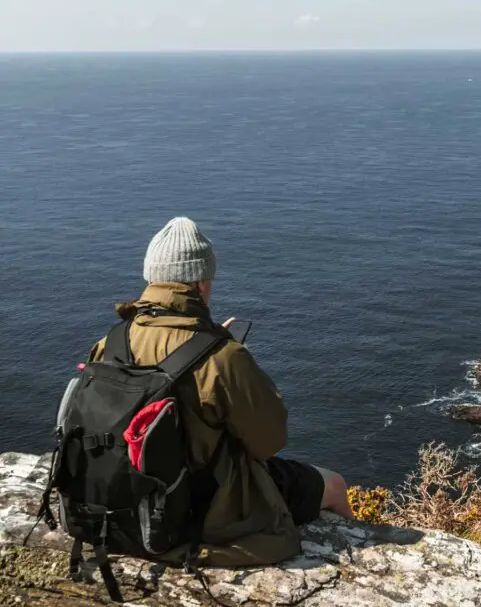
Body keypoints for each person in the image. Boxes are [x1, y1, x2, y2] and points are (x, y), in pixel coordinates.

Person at [88, 216, 352, 566]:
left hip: (120, 499)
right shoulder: (222, 357)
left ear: (152, 278)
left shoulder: (110, 342)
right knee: (334, 485)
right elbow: (269, 441)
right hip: (204, 506)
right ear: (200, 282)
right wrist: (231, 357)